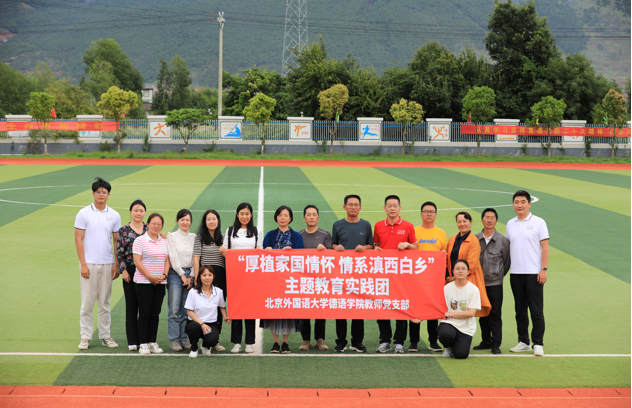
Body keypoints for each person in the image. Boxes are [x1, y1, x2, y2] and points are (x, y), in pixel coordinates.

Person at [74, 177, 121, 350]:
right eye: (98, 192)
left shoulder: (114, 215)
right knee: (87, 303)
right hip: (89, 264)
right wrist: (83, 264)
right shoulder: (83, 213)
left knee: (104, 303)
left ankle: (105, 336)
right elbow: (78, 240)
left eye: (104, 192)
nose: (101, 195)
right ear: (93, 193)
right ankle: (85, 337)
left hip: (108, 264)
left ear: (109, 194)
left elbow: (116, 241)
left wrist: (116, 264)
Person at [506, 190, 549, 357]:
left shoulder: (539, 222)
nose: (520, 205)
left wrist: (543, 269)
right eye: (516, 202)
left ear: (529, 204)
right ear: (513, 204)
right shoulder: (510, 224)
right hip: (516, 273)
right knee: (520, 311)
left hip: (533, 273)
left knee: (536, 311)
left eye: (523, 202)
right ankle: (524, 342)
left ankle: (538, 343)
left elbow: (545, 247)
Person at [374, 195, 417, 354]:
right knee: (382, 308)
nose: (392, 208)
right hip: (383, 274)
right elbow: (375, 245)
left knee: (401, 307)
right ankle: (385, 340)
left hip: (401, 275)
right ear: (384, 208)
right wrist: (375, 249)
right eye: (389, 206)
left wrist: (407, 244)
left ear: (400, 208)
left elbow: (415, 248)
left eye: (395, 206)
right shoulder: (378, 225)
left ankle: (399, 342)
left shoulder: (408, 226)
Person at [331, 194, 373, 353]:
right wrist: (336, 247)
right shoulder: (337, 225)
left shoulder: (366, 225)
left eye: (356, 204)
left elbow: (371, 245)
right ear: (345, 207)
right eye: (350, 204)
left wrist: (365, 247)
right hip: (341, 272)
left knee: (358, 308)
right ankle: (341, 342)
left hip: (360, 273)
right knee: (341, 308)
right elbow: (333, 244)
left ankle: (357, 342)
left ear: (360, 207)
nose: (353, 207)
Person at [219, 202, 262, 354]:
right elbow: (225, 249)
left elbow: (259, 249)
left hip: (251, 276)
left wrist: (259, 250)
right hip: (234, 276)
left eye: (247, 214)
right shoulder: (230, 230)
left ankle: (249, 343)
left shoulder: (256, 231)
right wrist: (223, 250)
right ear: (237, 215)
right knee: (236, 307)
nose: (244, 216)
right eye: (242, 213)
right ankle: (236, 343)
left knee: (250, 309)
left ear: (251, 215)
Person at [261, 205, 304, 353]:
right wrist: (267, 251)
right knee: (273, 309)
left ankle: (285, 342)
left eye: (286, 215)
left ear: (290, 218)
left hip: (290, 279)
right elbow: (262, 256)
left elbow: (302, 256)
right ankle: (275, 342)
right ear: (276, 218)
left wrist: (292, 252)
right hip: (272, 279)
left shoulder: (297, 236)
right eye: (280, 215)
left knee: (287, 310)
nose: (283, 218)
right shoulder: (270, 235)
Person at [410, 201, 447, 353]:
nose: (429, 214)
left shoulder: (441, 233)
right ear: (421, 214)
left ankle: (433, 341)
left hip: (433, 280)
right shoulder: (414, 231)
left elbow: (443, 256)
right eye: (426, 211)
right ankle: (413, 342)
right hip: (416, 279)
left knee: (432, 310)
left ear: (436, 215)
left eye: (432, 211)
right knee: (414, 311)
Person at [473, 208, 511, 355]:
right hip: (478, 284)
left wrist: (498, 275)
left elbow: (506, 262)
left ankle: (496, 344)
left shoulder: (503, 241)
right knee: (482, 313)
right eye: (487, 217)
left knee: (495, 313)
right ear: (482, 220)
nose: (489, 220)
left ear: (496, 221)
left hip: (495, 283)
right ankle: (486, 340)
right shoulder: (475, 239)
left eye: (492, 217)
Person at [132, 213, 170, 356]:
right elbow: (137, 261)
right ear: (147, 224)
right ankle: (143, 343)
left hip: (160, 282)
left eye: (159, 224)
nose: (156, 226)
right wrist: (149, 277)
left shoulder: (164, 241)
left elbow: (167, 260)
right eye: (153, 223)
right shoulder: (140, 240)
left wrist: (164, 275)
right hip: (143, 282)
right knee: (144, 313)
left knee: (155, 313)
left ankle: (152, 341)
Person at [298, 205, 331, 351]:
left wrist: (324, 250)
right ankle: (306, 340)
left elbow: (332, 256)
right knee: (304, 309)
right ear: (304, 217)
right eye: (308, 214)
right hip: (303, 279)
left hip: (321, 279)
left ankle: (319, 340)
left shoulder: (325, 234)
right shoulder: (299, 235)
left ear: (318, 217)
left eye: (314, 214)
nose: (311, 217)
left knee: (320, 309)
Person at [446, 211, 491, 318]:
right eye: (459, 221)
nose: (462, 224)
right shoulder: (452, 239)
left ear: (470, 222)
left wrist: (454, 278)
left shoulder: (473, 241)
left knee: (465, 310)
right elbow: (448, 260)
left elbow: (471, 266)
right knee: (452, 307)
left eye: (465, 221)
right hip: (452, 280)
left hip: (466, 280)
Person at [116, 200, 147, 351]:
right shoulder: (124, 230)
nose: (138, 213)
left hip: (146, 271)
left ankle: (144, 340)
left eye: (141, 210)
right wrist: (123, 270)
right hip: (130, 270)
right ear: (130, 212)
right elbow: (120, 251)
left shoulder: (149, 229)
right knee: (131, 306)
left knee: (144, 306)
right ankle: (133, 341)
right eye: (135, 210)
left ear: (145, 213)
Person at [194, 209, 227, 352]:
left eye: (214, 218)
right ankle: (204, 337)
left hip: (220, 275)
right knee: (204, 307)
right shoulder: (199, 238)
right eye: (208, 219)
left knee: (218, 307)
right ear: (205, 222)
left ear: (218, 221)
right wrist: (197, 279)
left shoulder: (224, 238)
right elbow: (196, 259)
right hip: (205, 275)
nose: (211, 221)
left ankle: (214, 340)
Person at [438, 259, 481, 359]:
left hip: (466, 328)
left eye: (463, 269)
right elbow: (437, 306)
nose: (460, 271)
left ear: (468, 272)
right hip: (449, 323)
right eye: (457, 268)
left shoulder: (474, 289)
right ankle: (448, 347)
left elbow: (471, 313)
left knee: (460, 354)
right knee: (445, 333)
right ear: (453, 271)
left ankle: (457, 345)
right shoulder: (446, 288)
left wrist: (450, 314)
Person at [184, 265, 230, 358]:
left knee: (213, 340)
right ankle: (194, 348)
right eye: (204, 275)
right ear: (200, 277)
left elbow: (222, 306)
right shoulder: (193, 291)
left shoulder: (219, 291)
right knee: (193, 328)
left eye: (210, 275)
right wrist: (202, 324)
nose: (207, 278)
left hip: (211, 324)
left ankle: (205, 345)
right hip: (196, 323)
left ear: (213, 277)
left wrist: (225, 317)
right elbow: (189, 312)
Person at [166, 209, 196, 352]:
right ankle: (174, 339)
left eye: (187, 220)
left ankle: (183, 339)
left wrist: (192, 276)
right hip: (175, 273)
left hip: (190, 274)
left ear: (191, 222)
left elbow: (196, 258)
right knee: (174, 309)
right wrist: (182, 275)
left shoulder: (194, 237)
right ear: (177, 221)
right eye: (182, 219)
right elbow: (173, 256)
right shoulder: (171, 236)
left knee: (186, 309)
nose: (185, 222)